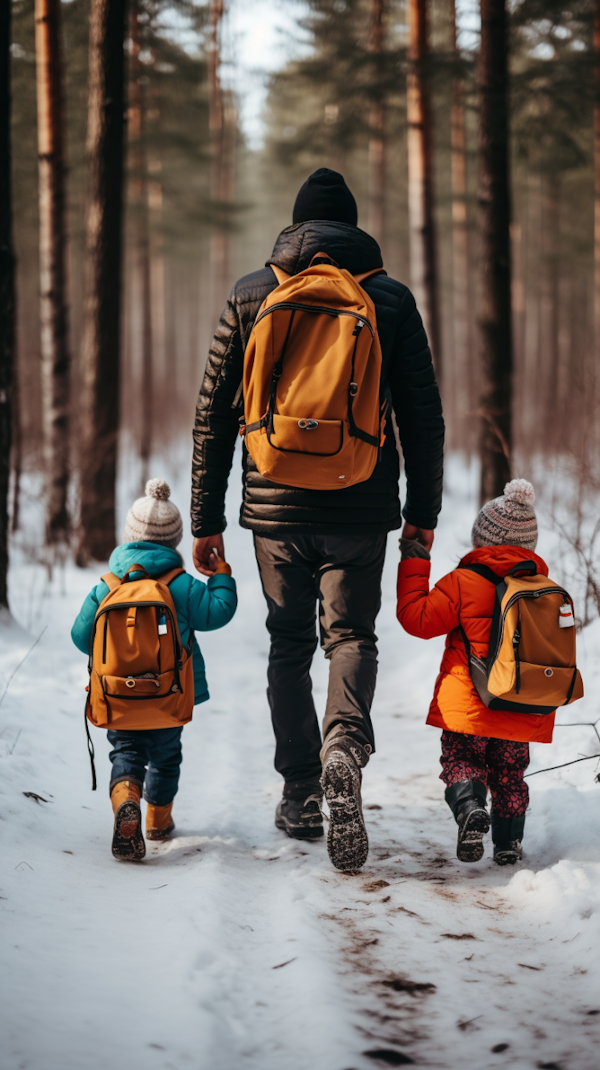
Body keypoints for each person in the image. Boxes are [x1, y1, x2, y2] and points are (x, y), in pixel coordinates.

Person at [191, 167, 444, 872]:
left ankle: (302, 788)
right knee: (352, 636)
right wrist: (422, 515)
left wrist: (205, 520)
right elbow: (424, 418)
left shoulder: (251, 294)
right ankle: (344, 749)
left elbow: (212, 417)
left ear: (294, 228)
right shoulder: (388, 298)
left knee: (287, 644)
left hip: (274, 504)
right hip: (361, 503)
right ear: (355, 228)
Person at [71, 479, 237, 860]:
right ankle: (157, 822)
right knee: (166, 757)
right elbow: (219, 612)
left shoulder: (107, 587)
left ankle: (126, 802)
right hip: (168, 697)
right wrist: (221, 574)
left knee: (126, 754)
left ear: (128, 537)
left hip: (118, 696)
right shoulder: (179, 585)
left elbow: (81, 638)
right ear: (174, 541)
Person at [397, 479, 552, 866]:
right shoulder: (545, 590)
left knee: (462, 759)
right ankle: (507, 843)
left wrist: (414, 560)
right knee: (510, 773)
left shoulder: (463, 583)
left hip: (469, 704)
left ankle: (469, 809)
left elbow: (416, 619)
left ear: (482, 538)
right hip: (521, 705)